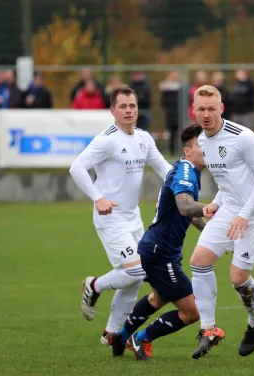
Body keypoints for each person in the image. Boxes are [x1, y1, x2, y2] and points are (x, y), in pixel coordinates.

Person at [68, 87, 172, 345]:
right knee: (136, 271)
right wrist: (97, 198)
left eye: (132, 106)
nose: (128, 110)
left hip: (132, 217)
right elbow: (77, 167)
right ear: (113, 111)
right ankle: (94, 286)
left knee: (134, 280)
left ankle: (111, 334)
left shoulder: (144, 138)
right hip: (110, 217)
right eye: (123, 106)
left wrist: (186, 181)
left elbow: (164, 169)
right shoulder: (107, 140)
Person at [189, 85, 254, 359]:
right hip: (230, 208)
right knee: (199, 260)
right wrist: (216, 203)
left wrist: (245, 214)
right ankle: (208, 329)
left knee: (238, 278)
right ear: (194, 111)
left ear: (221, 109)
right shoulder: (203, 141)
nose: (206, 115)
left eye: (211, 109)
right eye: (201, 109)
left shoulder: (244, 138)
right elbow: (228, 178)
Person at [107, 124, 208, 361]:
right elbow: (185, 206)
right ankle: (141, 339)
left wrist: (209, 230)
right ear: (187, 151)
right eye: (201, 146)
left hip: (156, 248)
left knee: (158, 298)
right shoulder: (185, 172)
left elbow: (186, 211)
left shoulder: (190, 172)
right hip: (160, 252)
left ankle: (120, 337)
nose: (207, 150)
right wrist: (215, 208)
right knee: (192, 312)